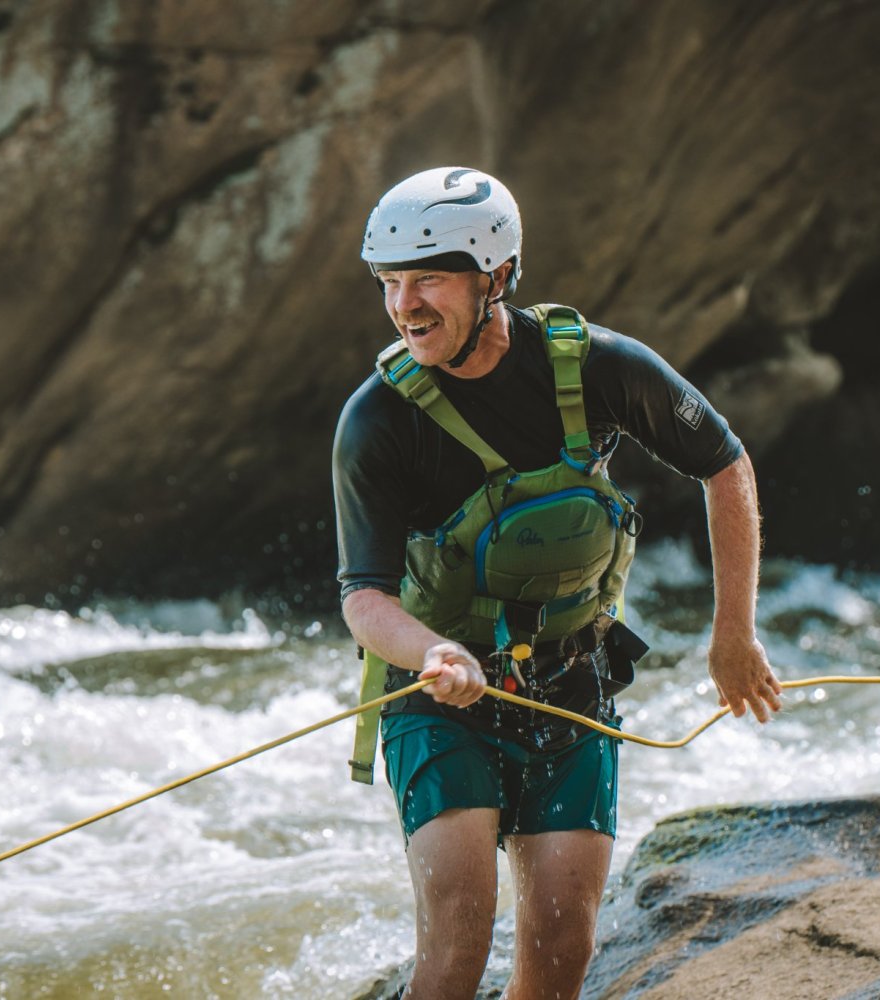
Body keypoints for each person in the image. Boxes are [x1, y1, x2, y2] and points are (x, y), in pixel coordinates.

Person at [332, 166, 783, 999]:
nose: (405, 305)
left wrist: (733, 634)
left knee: (562, 946)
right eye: (391, 283)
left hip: (572, 687)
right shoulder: (377, 418)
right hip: (439, 702)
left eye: (429, 277)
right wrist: (434, 652)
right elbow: (363, 598)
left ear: (495, 276)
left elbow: (723, 465)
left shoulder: (595, 366)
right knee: (459, 942)